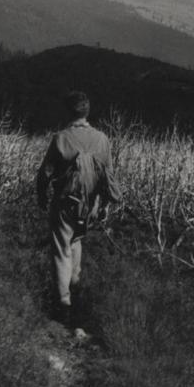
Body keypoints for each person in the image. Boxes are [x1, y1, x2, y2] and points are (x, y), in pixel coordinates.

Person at [36, 91, 121, 328]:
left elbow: (45, 173)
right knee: (76, 242)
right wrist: (102, 204)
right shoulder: (102, 139)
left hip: (65, 201)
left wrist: (41, 194)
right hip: (89, 204)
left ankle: (63, 305)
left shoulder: (61, 138)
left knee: (62, 249)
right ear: (87, 112)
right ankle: (75, 286)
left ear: (68, 112)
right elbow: (108, 175)